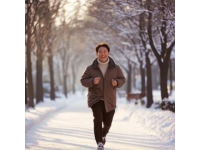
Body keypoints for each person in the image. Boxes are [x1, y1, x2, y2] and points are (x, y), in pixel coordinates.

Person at [80, 43, 126, 150]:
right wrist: (92, 81)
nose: (103, 54)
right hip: (96, 99)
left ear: (108, 53)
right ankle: (99, 143)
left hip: (110, 99)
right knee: (98, 119)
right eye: (100, 52)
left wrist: (117, 83)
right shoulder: (91, 68)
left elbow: (123, 80)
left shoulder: (116, 68)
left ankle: (103, 134)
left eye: (105, 51)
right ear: (97, 54)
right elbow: (83, 80)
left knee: (108, 123)